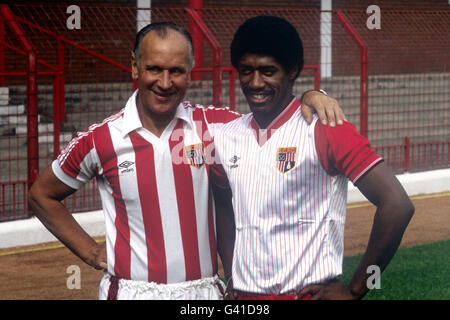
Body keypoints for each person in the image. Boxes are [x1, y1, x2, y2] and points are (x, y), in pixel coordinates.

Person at [27, 22, 344, 300]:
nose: (165, 83)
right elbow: (42, 195)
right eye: (154, 69)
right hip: (132, 291)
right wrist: (92, 251)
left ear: (189, 72)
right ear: (135, 67)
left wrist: (312, 96)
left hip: (203, 292)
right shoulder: (101, 139)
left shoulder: (215, 127)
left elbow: (273, 115)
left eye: (176, 71)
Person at [211, 16, 415, 300]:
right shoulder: (226, 136)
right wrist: (233, 274)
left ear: (292, 71)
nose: (255, 82)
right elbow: (223, 205)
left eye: (268, 71)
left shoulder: (324, 128)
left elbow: (398, 205)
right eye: (246, 71)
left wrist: (356, 290)